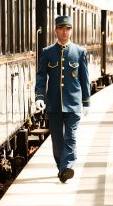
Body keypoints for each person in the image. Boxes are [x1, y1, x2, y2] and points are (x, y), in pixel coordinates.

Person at [34, 15, 90, 183]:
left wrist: (86, 102)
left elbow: (84, 78)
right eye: (61, 28)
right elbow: (41, 77)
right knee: (57, 141)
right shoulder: (47, 52)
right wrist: (39, 97)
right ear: (55, 30)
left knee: (70, 137)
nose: (65, 32)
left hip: (73, 104)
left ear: (71, 31)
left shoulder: (80, 52)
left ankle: (67, 167)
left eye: (68, 29)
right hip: (54, 104)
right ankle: (62, 168)